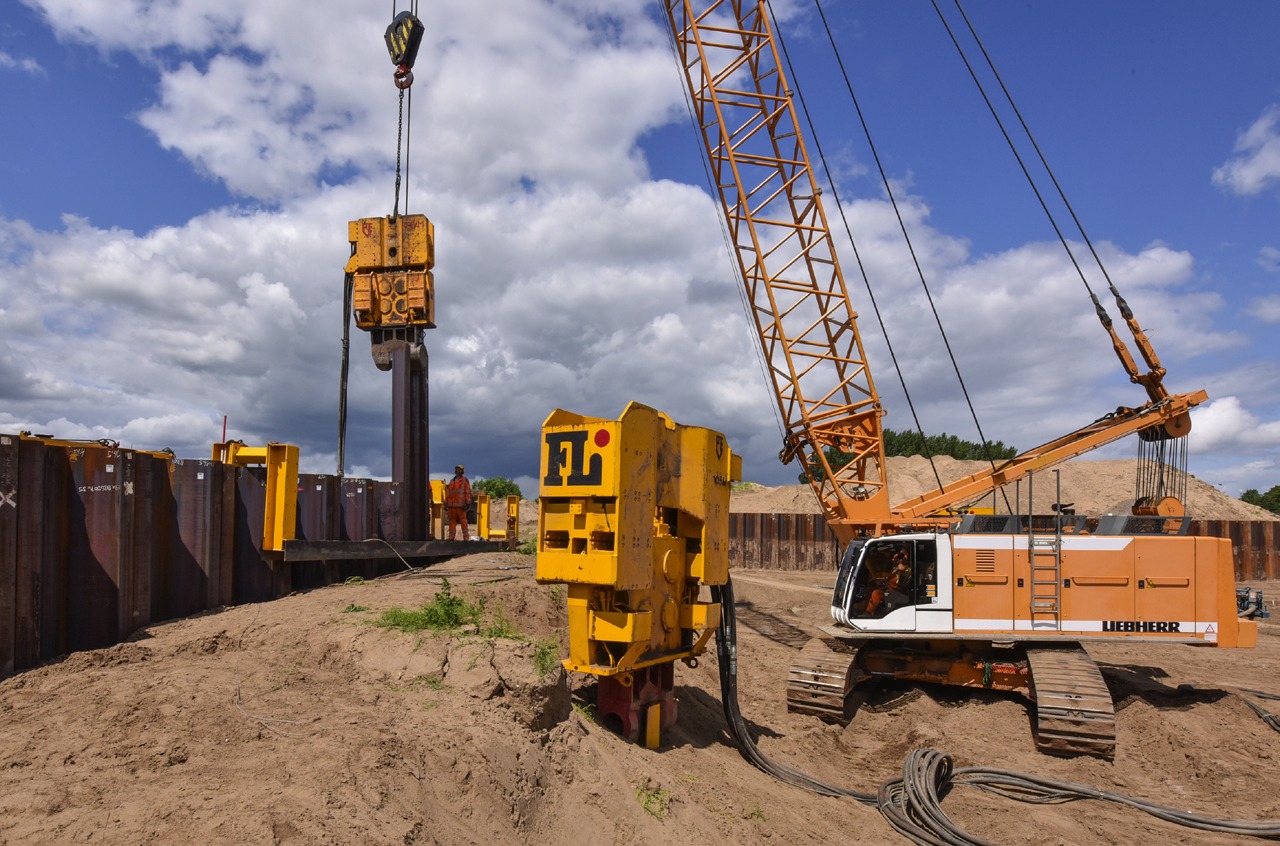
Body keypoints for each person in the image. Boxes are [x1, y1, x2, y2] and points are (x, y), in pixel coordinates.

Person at [445, 464, 473, 540]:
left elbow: (467, 492)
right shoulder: (452, 481)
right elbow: (448, 493)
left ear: (461, 471)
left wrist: (467, 503)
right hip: (452, 506)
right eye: (456, 469)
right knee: (452, 522)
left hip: (461, 506)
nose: (456, 470)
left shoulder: (464, 480)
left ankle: (466, 537)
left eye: (458, 469)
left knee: (463, 521)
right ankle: (451, 537)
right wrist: (446, 503)